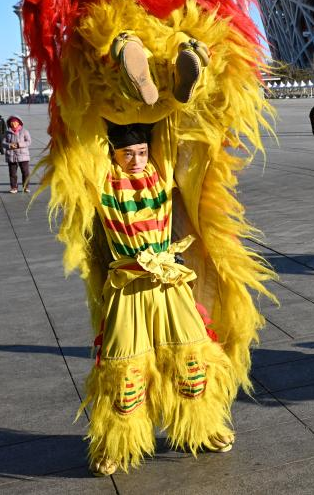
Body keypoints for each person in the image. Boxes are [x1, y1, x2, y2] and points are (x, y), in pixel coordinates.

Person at [88, 122, 235, 475]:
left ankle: (203, 427)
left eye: (141, 153)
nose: (137, 160)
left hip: (169, 281)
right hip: (127, 286)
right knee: (125, 371)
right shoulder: (103, 179)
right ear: (114, 155)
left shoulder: (161, 171)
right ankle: (116, 446)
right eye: (128, 155)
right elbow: (85, 144)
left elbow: (168, 128)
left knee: (192, 357)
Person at [2, 115, 32, 193]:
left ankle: (26, 187)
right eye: (12, 122)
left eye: (15, 122)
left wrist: (19, 144)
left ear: (19, 122)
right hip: (11, 156)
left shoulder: (24, 131)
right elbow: (3, 143)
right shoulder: (7, 132)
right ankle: (14, 187)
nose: (13, 124)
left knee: (25, 172)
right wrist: (9, 145)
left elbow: (29, 142)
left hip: (23, 155)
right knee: (12, 173)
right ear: (9, 123)